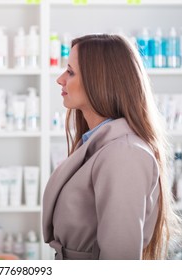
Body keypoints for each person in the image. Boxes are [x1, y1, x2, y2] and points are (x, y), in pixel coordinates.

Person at [42, 34, 182, 260]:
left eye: (70, 71)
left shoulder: (124, 154)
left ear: (99, 80)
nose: (60, 79)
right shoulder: (96, 144)